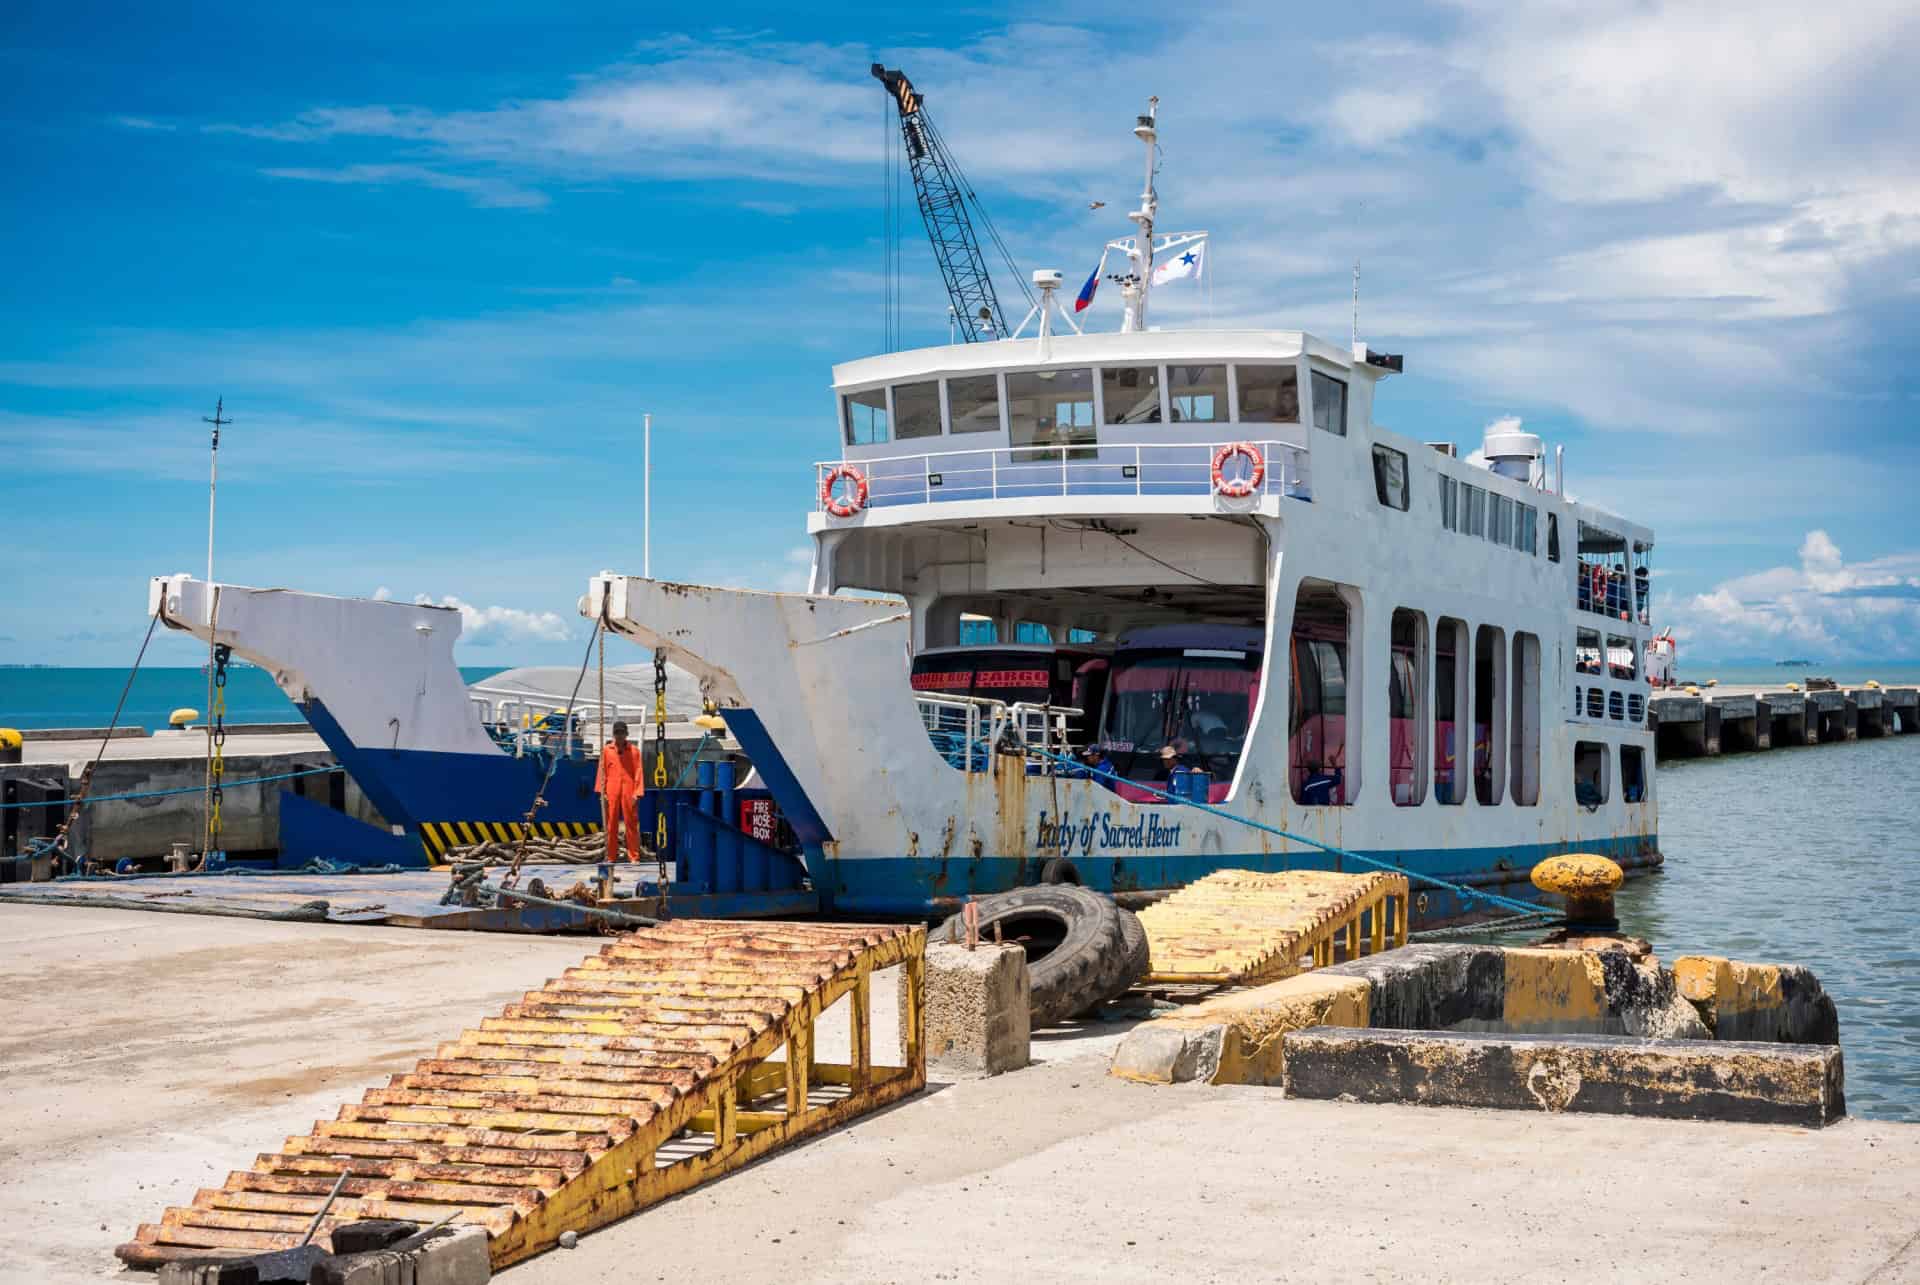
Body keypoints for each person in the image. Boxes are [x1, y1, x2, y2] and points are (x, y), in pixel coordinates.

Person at [595, 720, 645, 863]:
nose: (619, 736)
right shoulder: (606, 751)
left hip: (629, 790)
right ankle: (611, 856)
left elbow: (639, 771)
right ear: (613, 734)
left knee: (631, 824)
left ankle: (634, 856)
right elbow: (602, 771)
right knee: (611, 825)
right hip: (611, 789)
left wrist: (637, 792)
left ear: (626, 734)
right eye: (617, 733)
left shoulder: (634, 751)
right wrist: (602, 792)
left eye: (622, 733)